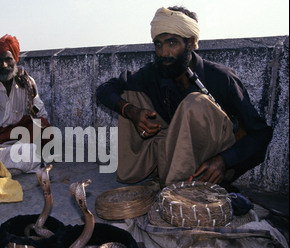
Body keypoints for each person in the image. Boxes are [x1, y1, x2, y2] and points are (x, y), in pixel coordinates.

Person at [96, 6, 273, 189]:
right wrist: (130, 111)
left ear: (190, 43)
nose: (164, 52)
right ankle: (155, 172)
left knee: (195, 102)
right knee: (128, 96)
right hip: (175, 155)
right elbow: (105, 89)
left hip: (212, 166)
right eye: (159, 44)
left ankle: (177, 189)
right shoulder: (154, 73)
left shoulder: (221, 78)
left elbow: (260, 134)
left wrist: (224, 160)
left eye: (172, 43)